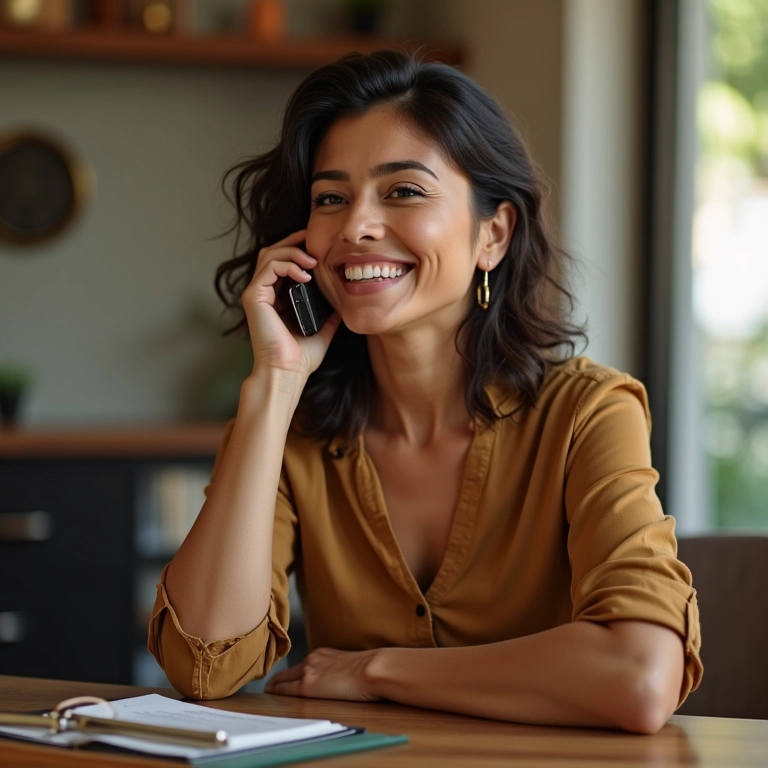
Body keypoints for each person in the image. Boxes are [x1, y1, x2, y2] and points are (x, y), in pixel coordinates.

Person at [148, 50, 702, 734]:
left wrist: (373, 671)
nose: (356, 226)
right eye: (330, 198)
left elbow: (640, 678)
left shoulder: (588, 413)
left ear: (493, 235)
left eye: (403, 191)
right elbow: (203, 665)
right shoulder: (289, 431)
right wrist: (274, 385)